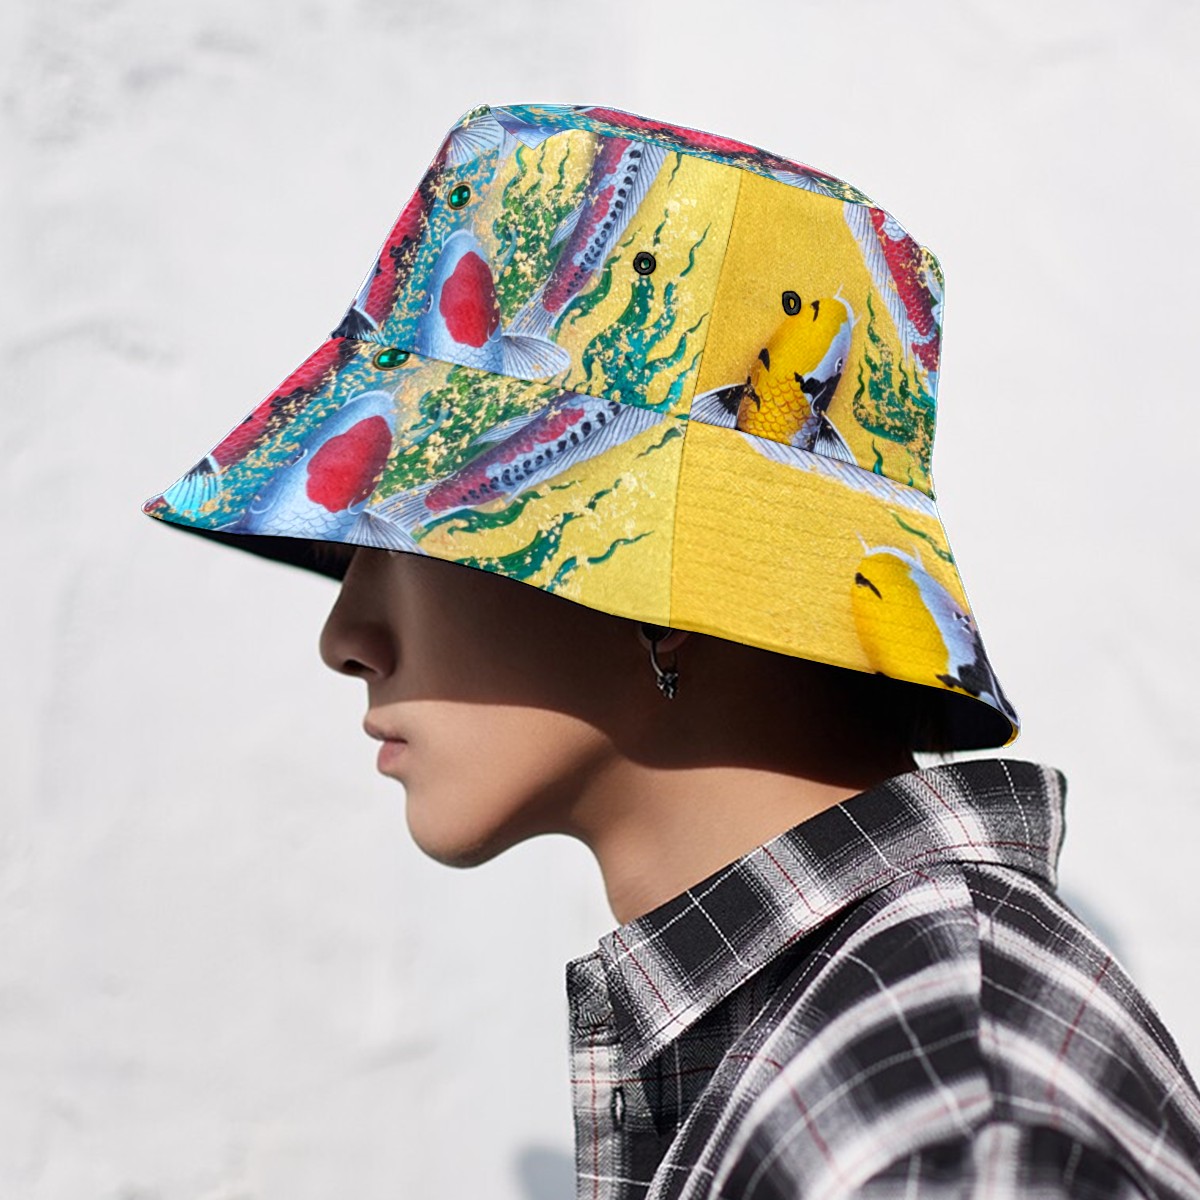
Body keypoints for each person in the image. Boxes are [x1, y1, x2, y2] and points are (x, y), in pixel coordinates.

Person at [142, 101, 1200, 1196]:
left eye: (401, 529)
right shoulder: (861, 1048)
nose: (344, 638)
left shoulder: (942, 1126)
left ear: (674, 570)